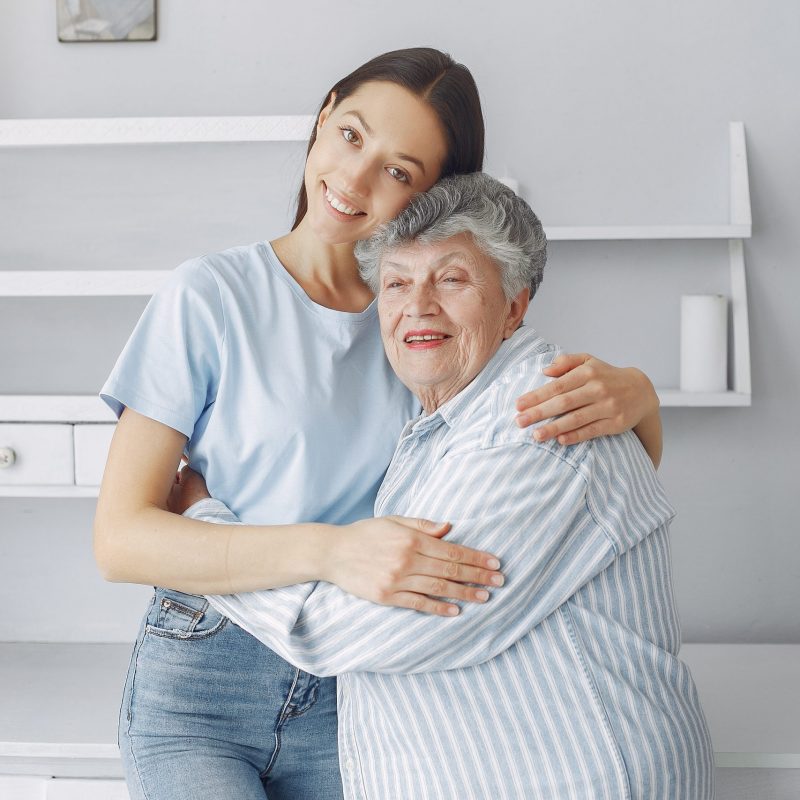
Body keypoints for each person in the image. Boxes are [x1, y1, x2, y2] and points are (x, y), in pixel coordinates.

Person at [95, 49, 664, 800]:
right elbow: (122, 538)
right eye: (353, 135)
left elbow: (573, 473)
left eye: (401, 171)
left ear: (437, 197)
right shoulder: (209, 297)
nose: (355, 180)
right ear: (324, 114)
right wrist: (332, 552)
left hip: (363, 686)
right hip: (204, 677)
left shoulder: (423, 320)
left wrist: (643, 399)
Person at [177, 172, 714, 800]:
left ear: (516, 303)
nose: (417, 305)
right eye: (398, 283)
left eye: (451, 279)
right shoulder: (438, 427)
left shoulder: (534, 422)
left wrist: (202, 530)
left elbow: (344, 631)